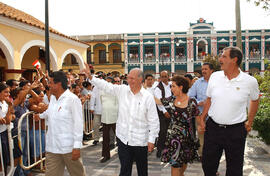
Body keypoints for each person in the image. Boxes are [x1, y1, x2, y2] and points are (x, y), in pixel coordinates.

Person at [83, 65, 159, 176]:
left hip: (140, 140)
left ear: (140, 80)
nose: (129, 80)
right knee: (124, 170)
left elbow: (154, 120)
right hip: (124, 139)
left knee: (142, 171)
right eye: (128, 78)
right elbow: (106, 86)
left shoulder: (147, 97)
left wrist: (152, 140)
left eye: (132, 78)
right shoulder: (122, 90)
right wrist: (91, 77)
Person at [199, 46, 260, 176]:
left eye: (224, 56)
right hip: (213, 128)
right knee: (207, 164)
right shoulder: (215, 77)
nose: (220, 59)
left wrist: (249, 121)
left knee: (234, 169)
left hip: (236, 131)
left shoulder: (250, 81)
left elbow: (255, 100)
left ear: (234, 60)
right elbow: (209, 99)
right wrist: (203, 118)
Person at [34, 71, 85, 176]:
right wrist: (40, 116)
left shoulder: (73, 100)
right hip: (52, 147)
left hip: (69, 147)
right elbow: (50, 111)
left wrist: (76, 146)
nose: (48, 85)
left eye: (51, 82)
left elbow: (78, 124)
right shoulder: (53, 98)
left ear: (59, 84)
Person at [156, 76, 200, 176]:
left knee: (184, 163)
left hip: (187, 139)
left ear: (181, 87)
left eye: (173, 86)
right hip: (173, 139)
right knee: (175, 164)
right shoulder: (171, 100)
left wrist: (201, 127)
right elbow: (157, 101)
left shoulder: (192, 102)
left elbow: (198, 118)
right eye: (171, 86)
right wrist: (144, 89)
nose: (171, 89)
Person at [188, 62, 214, 158]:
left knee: (213, 139)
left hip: (214, 116)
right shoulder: (198, 83)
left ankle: (211, 157)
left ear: (212, 70)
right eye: (202, 69)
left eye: (206, 69)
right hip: (200, 115)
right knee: (201, 136)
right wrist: (198, 102)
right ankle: (202, 156)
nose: (203, 71)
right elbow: (190, 96)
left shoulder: (216, 82)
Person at [99, 77, 118, 163]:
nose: (107, 84)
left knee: (120, 136)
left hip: (115, 117)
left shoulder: (116, 91)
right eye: (106, 82)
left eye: (109, 82)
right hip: (105, 117)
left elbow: (118, 103)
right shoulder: (101, 91)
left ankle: (124, 153)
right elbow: (101, 102)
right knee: (105, 138)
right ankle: (106, 155)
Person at [154, 70, 171, 158]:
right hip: (162, 112)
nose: (164, 78)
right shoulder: (158, 88)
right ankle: (160, 150)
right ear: (160, 77)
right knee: (162, 131)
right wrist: (165, 111)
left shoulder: (171, 85)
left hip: (171, 110)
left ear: (168, 76)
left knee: (170, 131)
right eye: (162, 76)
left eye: (165, 76)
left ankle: (169, 148)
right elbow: (159, 102)